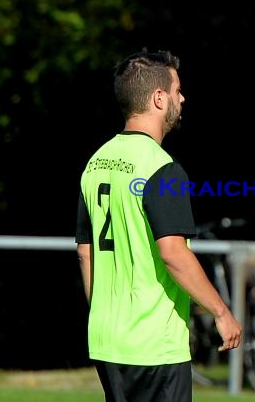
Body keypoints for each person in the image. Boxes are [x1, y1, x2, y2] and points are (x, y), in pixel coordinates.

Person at [75, 49, 242, 402]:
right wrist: (221, 311)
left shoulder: (96, 162)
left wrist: (102, 314)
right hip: (153, 345)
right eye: (177, 89)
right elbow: (173, 254)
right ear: (158, 98)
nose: (182, 97)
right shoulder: (162, 168)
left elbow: (85, 253)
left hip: (106, 340)